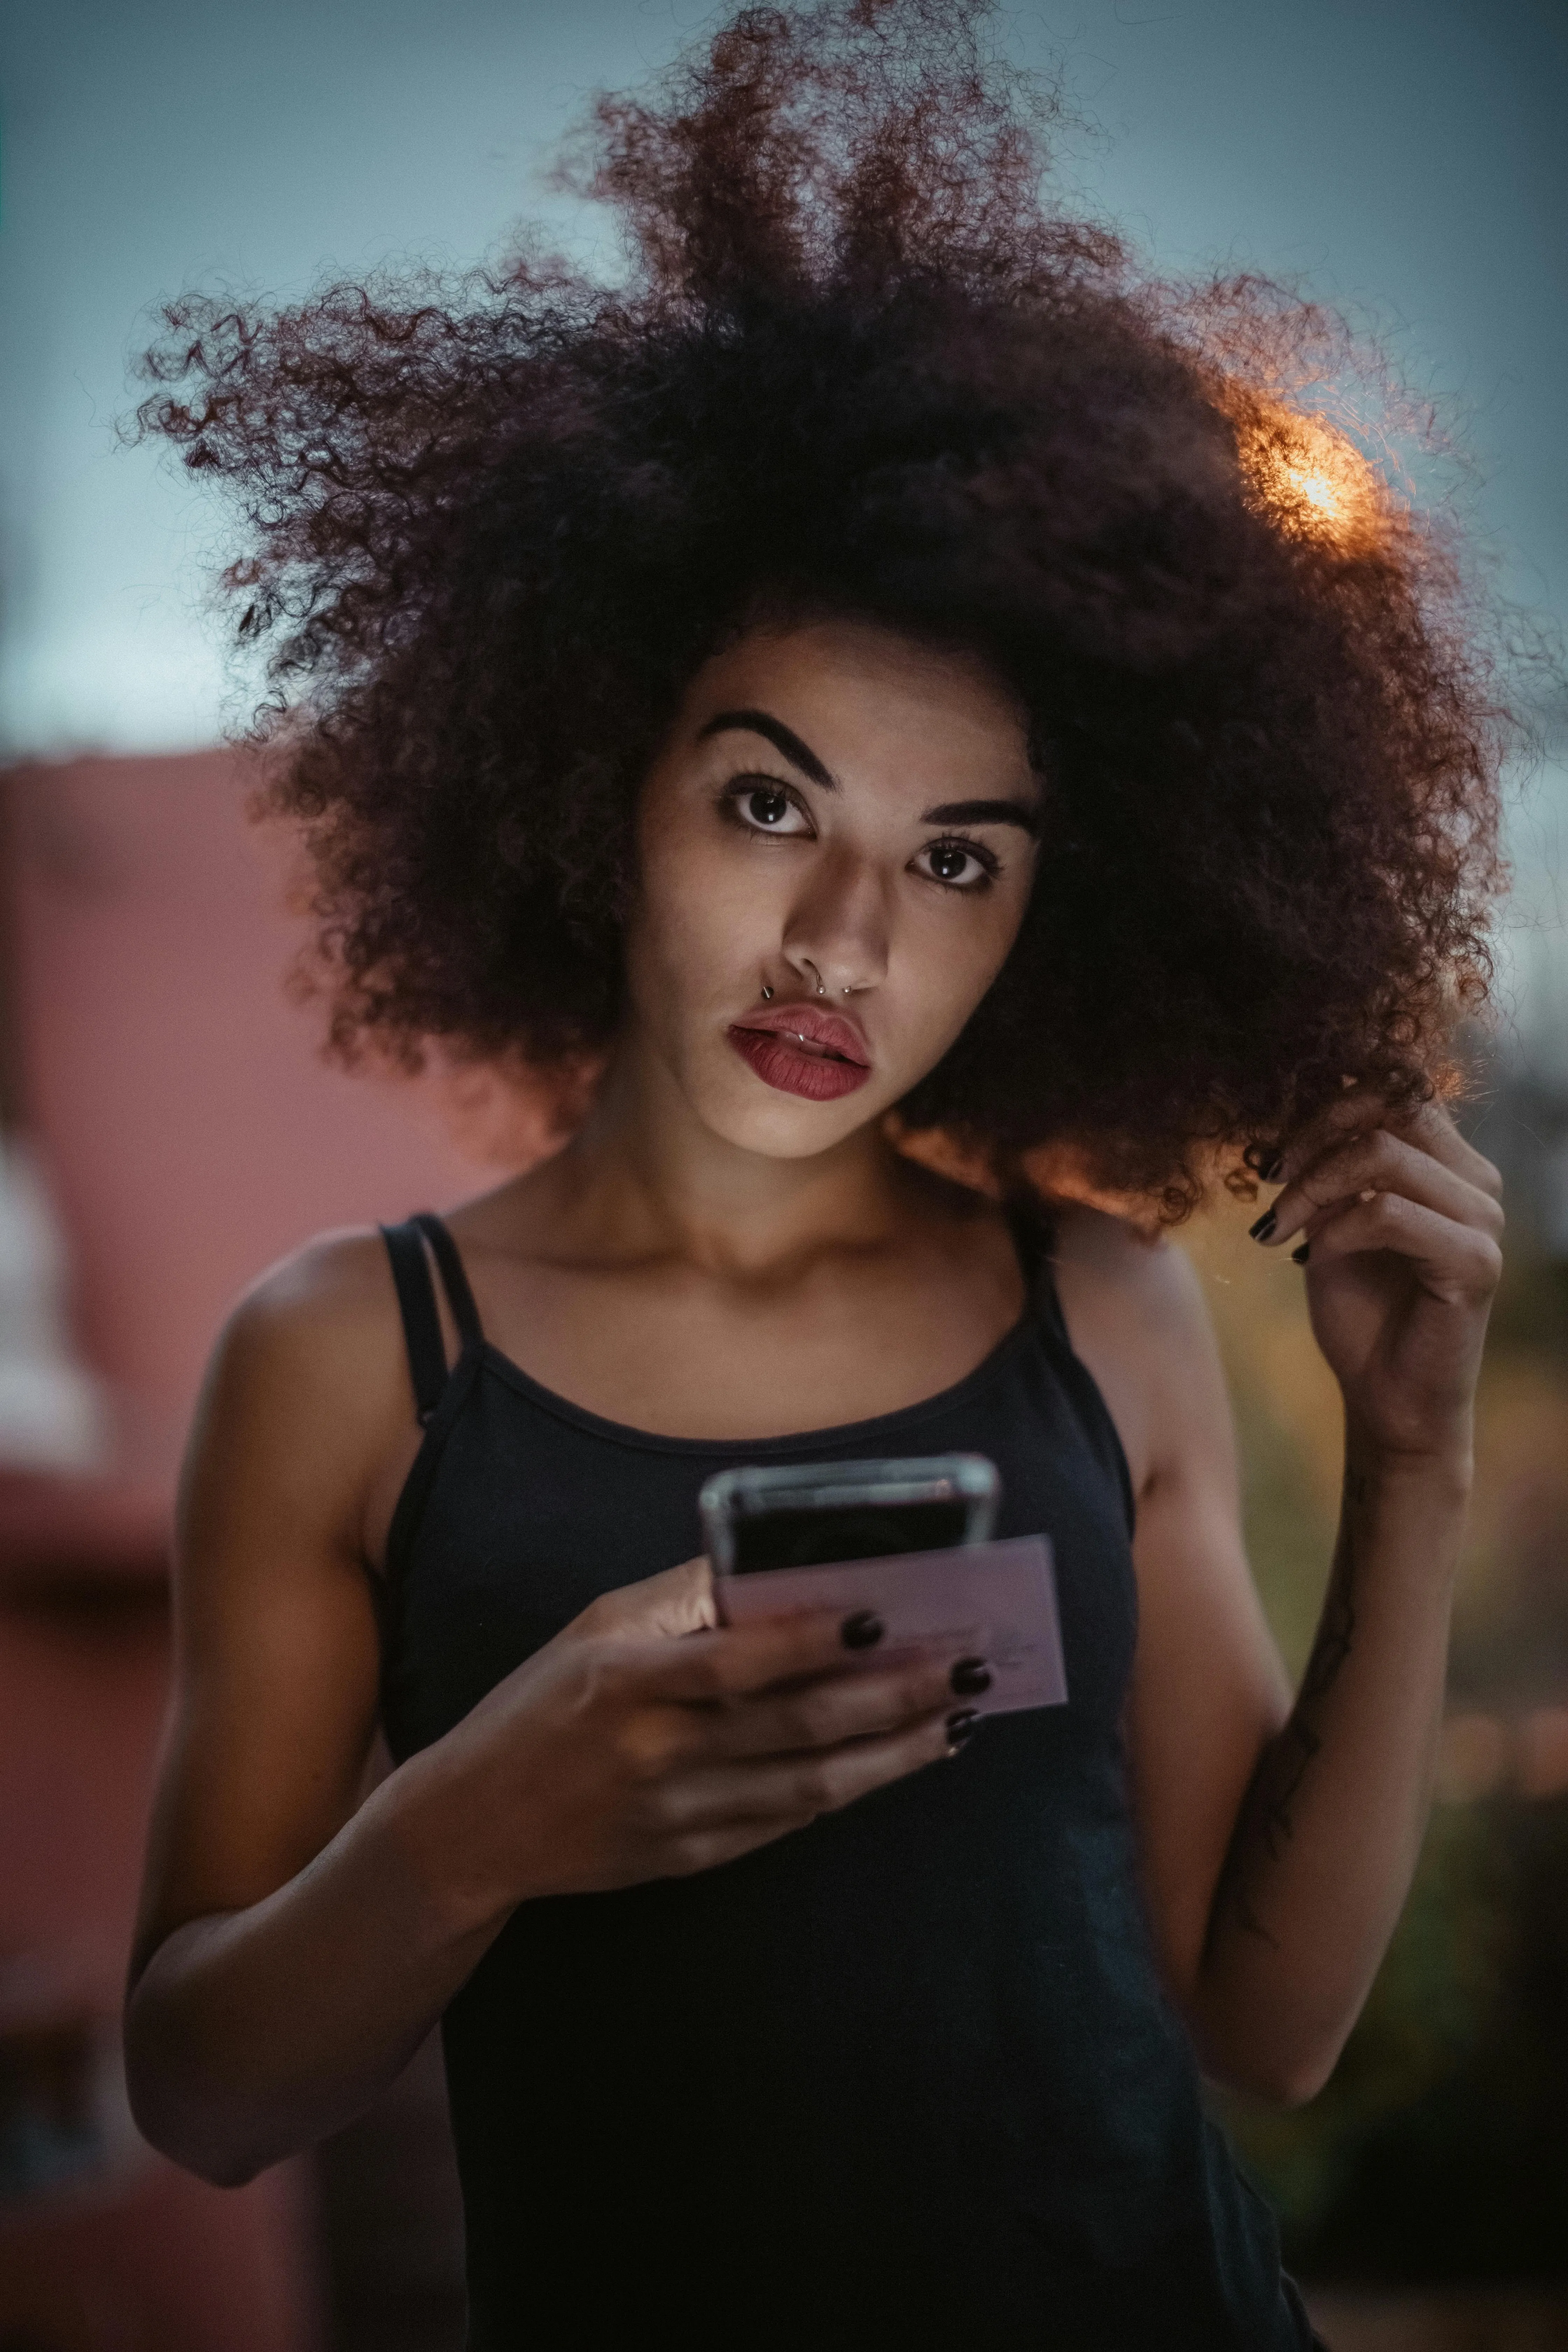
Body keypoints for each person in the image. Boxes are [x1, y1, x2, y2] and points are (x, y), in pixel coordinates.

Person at [123, 4, 1507, 2344]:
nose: (848, 947)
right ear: (593, 778)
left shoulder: (1105, 1312)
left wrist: (1414, 1452)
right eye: (771, 804)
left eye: (957, 860)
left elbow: (1268, 2033)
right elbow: (201, 2090)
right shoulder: (352, 1358)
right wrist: (469, 1833)